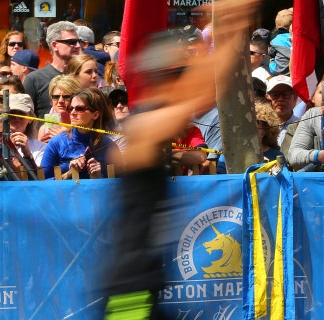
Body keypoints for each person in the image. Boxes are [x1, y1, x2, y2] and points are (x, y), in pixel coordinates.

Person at [102, 0, 257, 316]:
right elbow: (197, 94)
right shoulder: (142, 127)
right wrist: (232, 27)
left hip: (146, 286)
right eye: (180, 71)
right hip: (129, 295)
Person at [40, 87, 117, 179]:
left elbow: (123, 185)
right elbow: (42, 182)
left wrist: (100, 176)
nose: (72, 112)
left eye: (79, 109)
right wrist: (69, 173)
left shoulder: (109, 146)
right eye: (70, 108)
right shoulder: (57, 142)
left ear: (95, 115)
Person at [24, 21, 81, 118]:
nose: (78, 45)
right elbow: (26, 116)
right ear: (54, 45)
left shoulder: (83, 76)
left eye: (79, 41)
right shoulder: (34, 79)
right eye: (71, 42)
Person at [217, 100, 283, 173]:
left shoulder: (277, 156)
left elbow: (282, 182)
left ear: (266, 128)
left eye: (255, 122)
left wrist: (268, 168)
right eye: (244, 122)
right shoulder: (228, 155)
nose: (249, 126)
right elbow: (222, 181)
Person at [38, 75, 81, 143]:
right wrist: (40, 147)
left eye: (66, 96)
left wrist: (64, 139)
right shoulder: (44, 129)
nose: (60, 101)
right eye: (56, 96)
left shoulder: (83, 127)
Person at [7, 93, 47, 166]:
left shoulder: (41, 148)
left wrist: (27, 153)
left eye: (21, 113)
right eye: (12, 113)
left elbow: (38, 175)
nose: (16, 117)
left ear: (31, 119)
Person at [265, 74, 299, 145]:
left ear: (295, 98)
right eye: (275, 95)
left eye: (286, 94)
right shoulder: (260, 127)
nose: (280, 99)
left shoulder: (302, 127)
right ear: (267, 98)